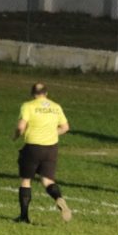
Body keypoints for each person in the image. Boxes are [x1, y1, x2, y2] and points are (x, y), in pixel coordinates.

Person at [13, 83, 72, 224]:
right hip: (51, 148)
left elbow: (21, 127)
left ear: (33, 93)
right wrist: (51, 133)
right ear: (46, 93)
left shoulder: (28, 106)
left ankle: (24, 216)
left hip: (33, 147)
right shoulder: (56, 106)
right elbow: (65, 127)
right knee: (47, 180)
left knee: (26, 180)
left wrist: (16, 135)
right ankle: (58, 198)